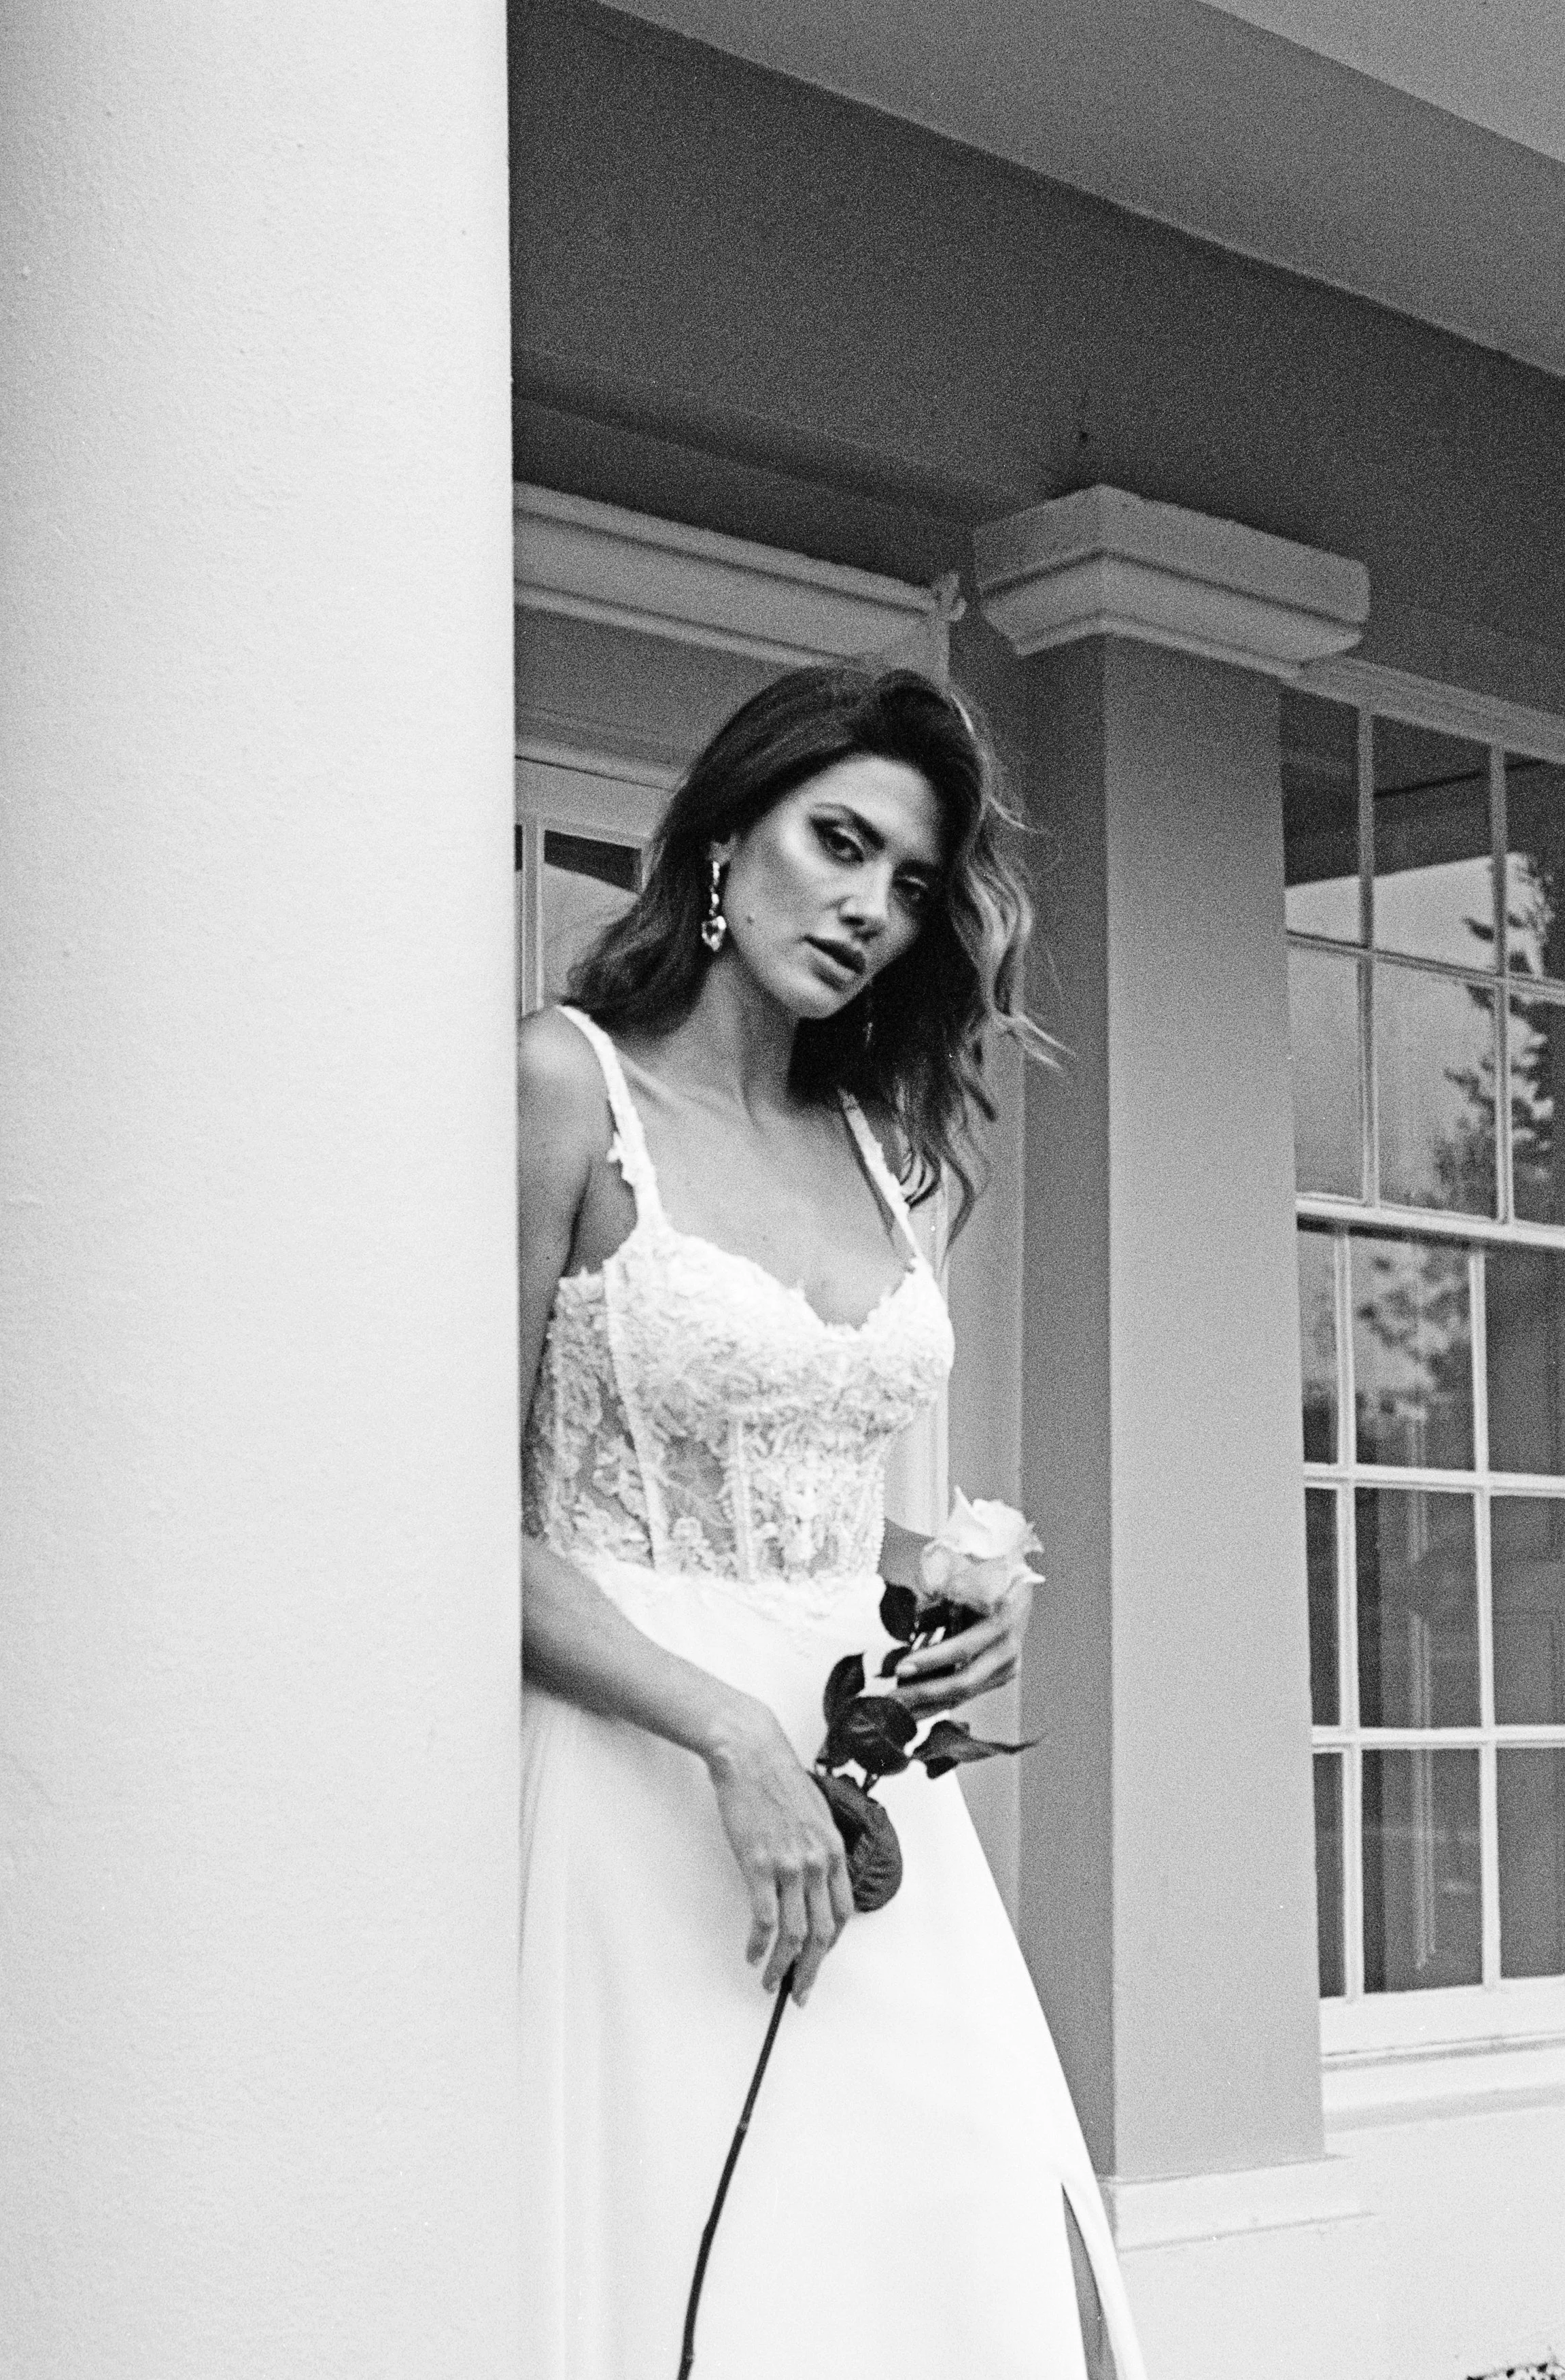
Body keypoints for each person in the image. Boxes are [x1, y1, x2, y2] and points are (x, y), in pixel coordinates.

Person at [518, 665, 1148, 2380]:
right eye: (840, 842)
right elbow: (448, 1518)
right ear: (728, 839)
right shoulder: (566, 1086)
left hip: (868, 1800)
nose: (872, 906)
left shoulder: (882, 1148)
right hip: (639, 1779)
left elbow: (792, 1512)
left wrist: (950, 1575)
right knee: (696, 2277)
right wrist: (725, 1731)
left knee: (966, 2251)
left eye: (914, 881)